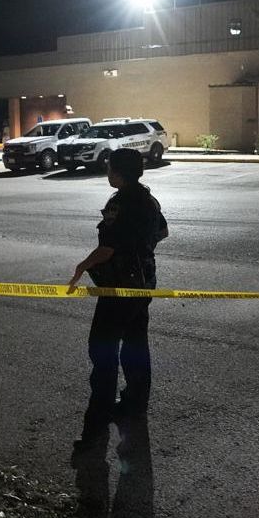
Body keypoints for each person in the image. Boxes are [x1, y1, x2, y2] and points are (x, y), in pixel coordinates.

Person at [67, 148, 168, 450]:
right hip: (144, 284)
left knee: (103, 353)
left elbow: (107, 249)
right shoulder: (149, 199)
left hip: (119, 288)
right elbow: (163, 232)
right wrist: (140, 247)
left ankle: (95, 427)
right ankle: (134, 403)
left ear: (120, 172)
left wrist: (82, 266)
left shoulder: (119, 203)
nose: (107, 173)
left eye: (110, 168)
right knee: (136, 344)